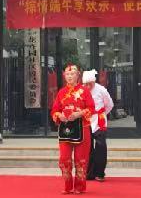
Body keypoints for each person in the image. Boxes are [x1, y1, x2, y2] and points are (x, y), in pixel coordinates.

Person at [51, 65, 95, 195]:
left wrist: (79, 114)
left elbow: (91, 108)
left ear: (78, 76)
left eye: (72, 74)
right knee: (64, 159)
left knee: (81, 159)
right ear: (64, 76)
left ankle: (80, 187)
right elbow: (54, 110)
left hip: (82, 128)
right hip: (65, 129)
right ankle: (68, 185)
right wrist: (59, 115)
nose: (70, 76)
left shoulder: (84, 91)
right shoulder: (61, 92)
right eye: (67, 74)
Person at [83, 69, 114, 182]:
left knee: (101, 146)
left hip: (99, 119)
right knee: (88, 147)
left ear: (94, 81)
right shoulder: (81, 91)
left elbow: (109, 104)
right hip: (86, 119)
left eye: (90, 84)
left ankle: (100, 172)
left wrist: (102, 114)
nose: (88, 86)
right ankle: (89, 173)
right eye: (86, 84)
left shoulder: (101, 90)